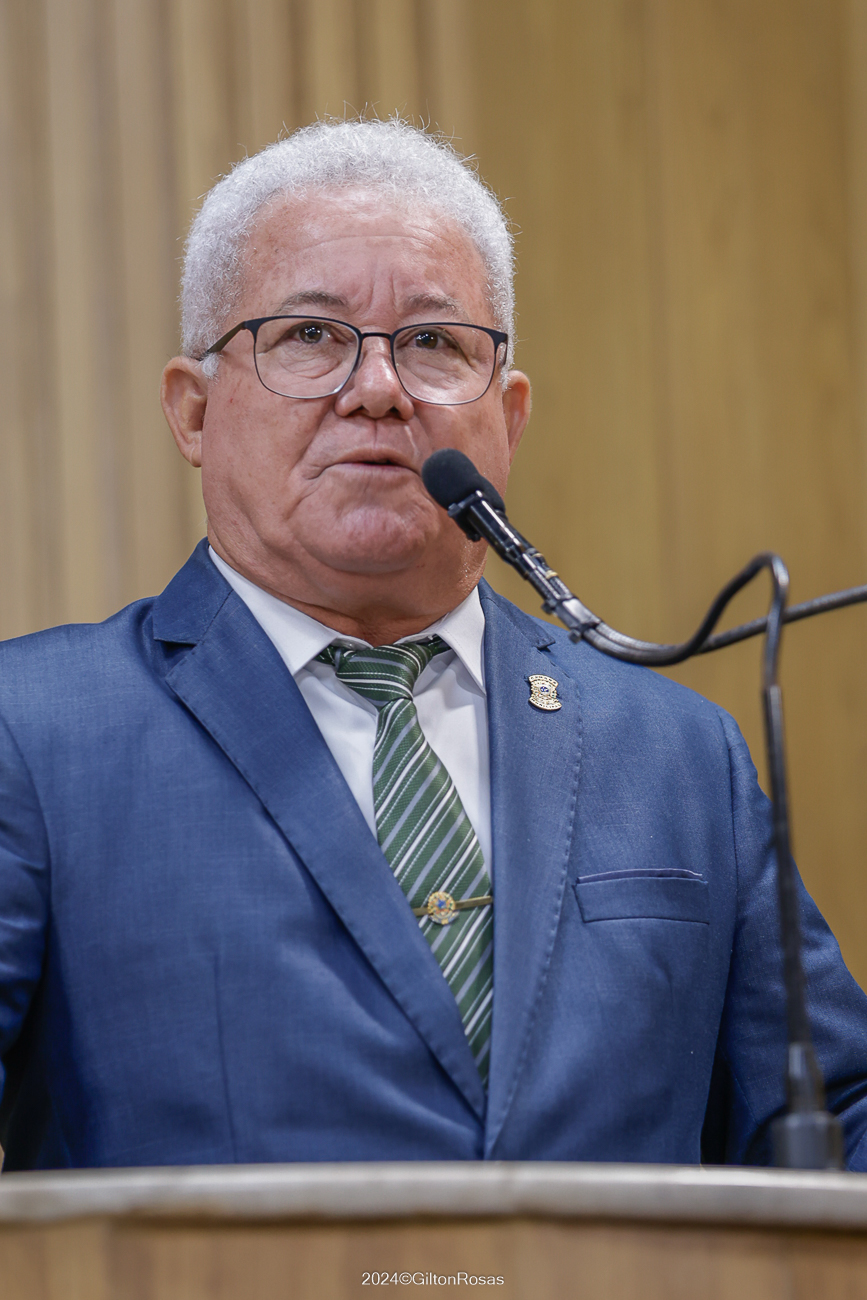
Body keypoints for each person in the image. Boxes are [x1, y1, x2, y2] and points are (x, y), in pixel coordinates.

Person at [1, 119, 866, 1172]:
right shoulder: (33, 734)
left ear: (509, 417)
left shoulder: (680, 756)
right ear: (193, 411)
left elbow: (836, 1117)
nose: (378, 387)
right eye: (309, 335)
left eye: (433, 343)